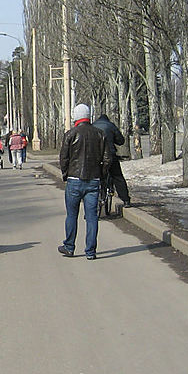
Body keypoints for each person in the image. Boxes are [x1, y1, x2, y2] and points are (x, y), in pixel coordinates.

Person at [59, 103, 110, 260]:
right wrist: (100, 174)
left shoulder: (70, 134)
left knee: (72, 215)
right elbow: (107, 158)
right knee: (92, 217)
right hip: (93, 180)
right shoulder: (100, 134)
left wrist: (66, 173)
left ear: (76, 116)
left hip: (74, 180)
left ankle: (69, 247)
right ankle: (91, 251)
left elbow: (64, 158)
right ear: (89, 116)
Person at [92, 113, 131, 207]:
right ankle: (126, 199)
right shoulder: (111, 126)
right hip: (110, 155)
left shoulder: (93, 126)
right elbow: (120, 141)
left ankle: (95, 199)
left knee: (94, 177)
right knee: (117, 176)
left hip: (96, 156)